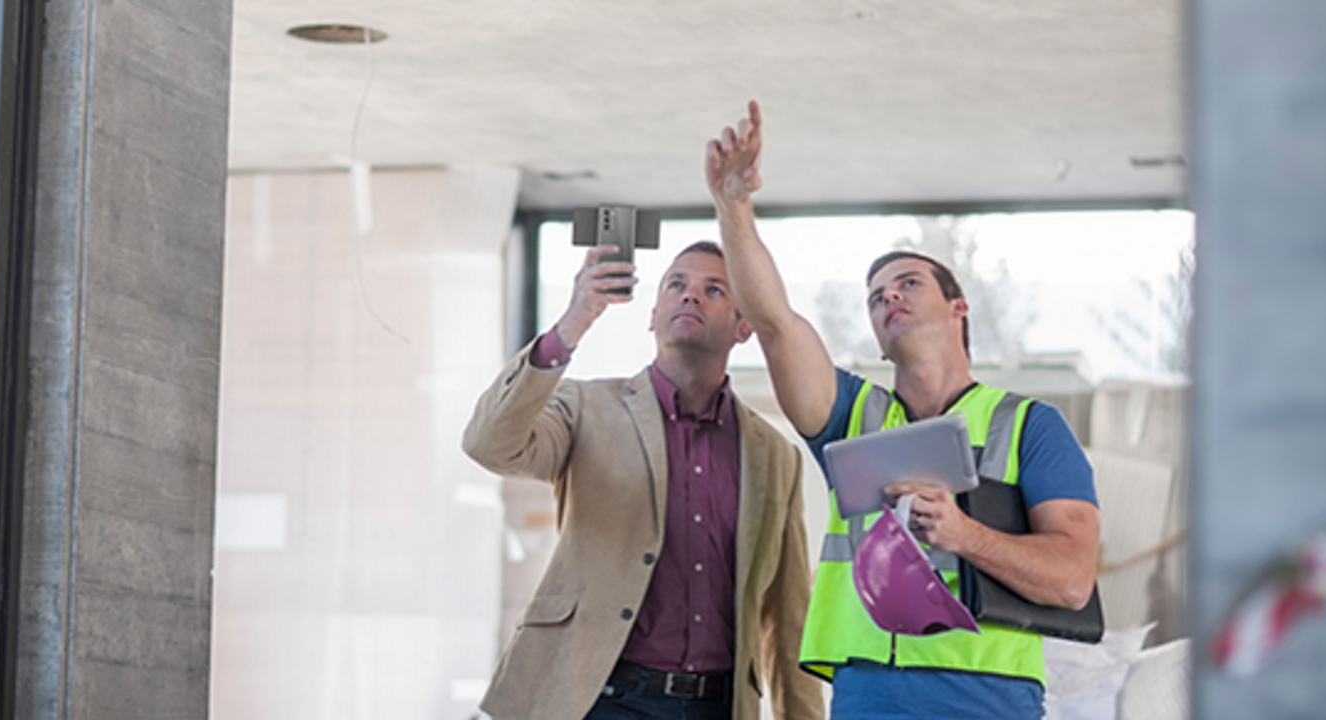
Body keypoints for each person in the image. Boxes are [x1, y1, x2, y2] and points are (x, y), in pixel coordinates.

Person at [704, 101, 1102, 720]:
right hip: (868, 694)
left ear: (958, 308)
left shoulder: (1030, 426)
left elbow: (1073, 580)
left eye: (908, 283)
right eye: (876, 297)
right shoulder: (851, 414)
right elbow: (777, 323)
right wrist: (733, 205)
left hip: (987, 697)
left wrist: (963, 534)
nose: (889, 296)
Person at [462, 240, 824, 720]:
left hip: (718, 706)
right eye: (677, 285)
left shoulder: (774, 455)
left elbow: (788, 612)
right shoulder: (586, 408)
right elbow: (489, 443)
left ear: (743, 328)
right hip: (599, 698)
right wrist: (573, 324)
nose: (690, 296)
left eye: (713, 289)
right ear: (653, 315)